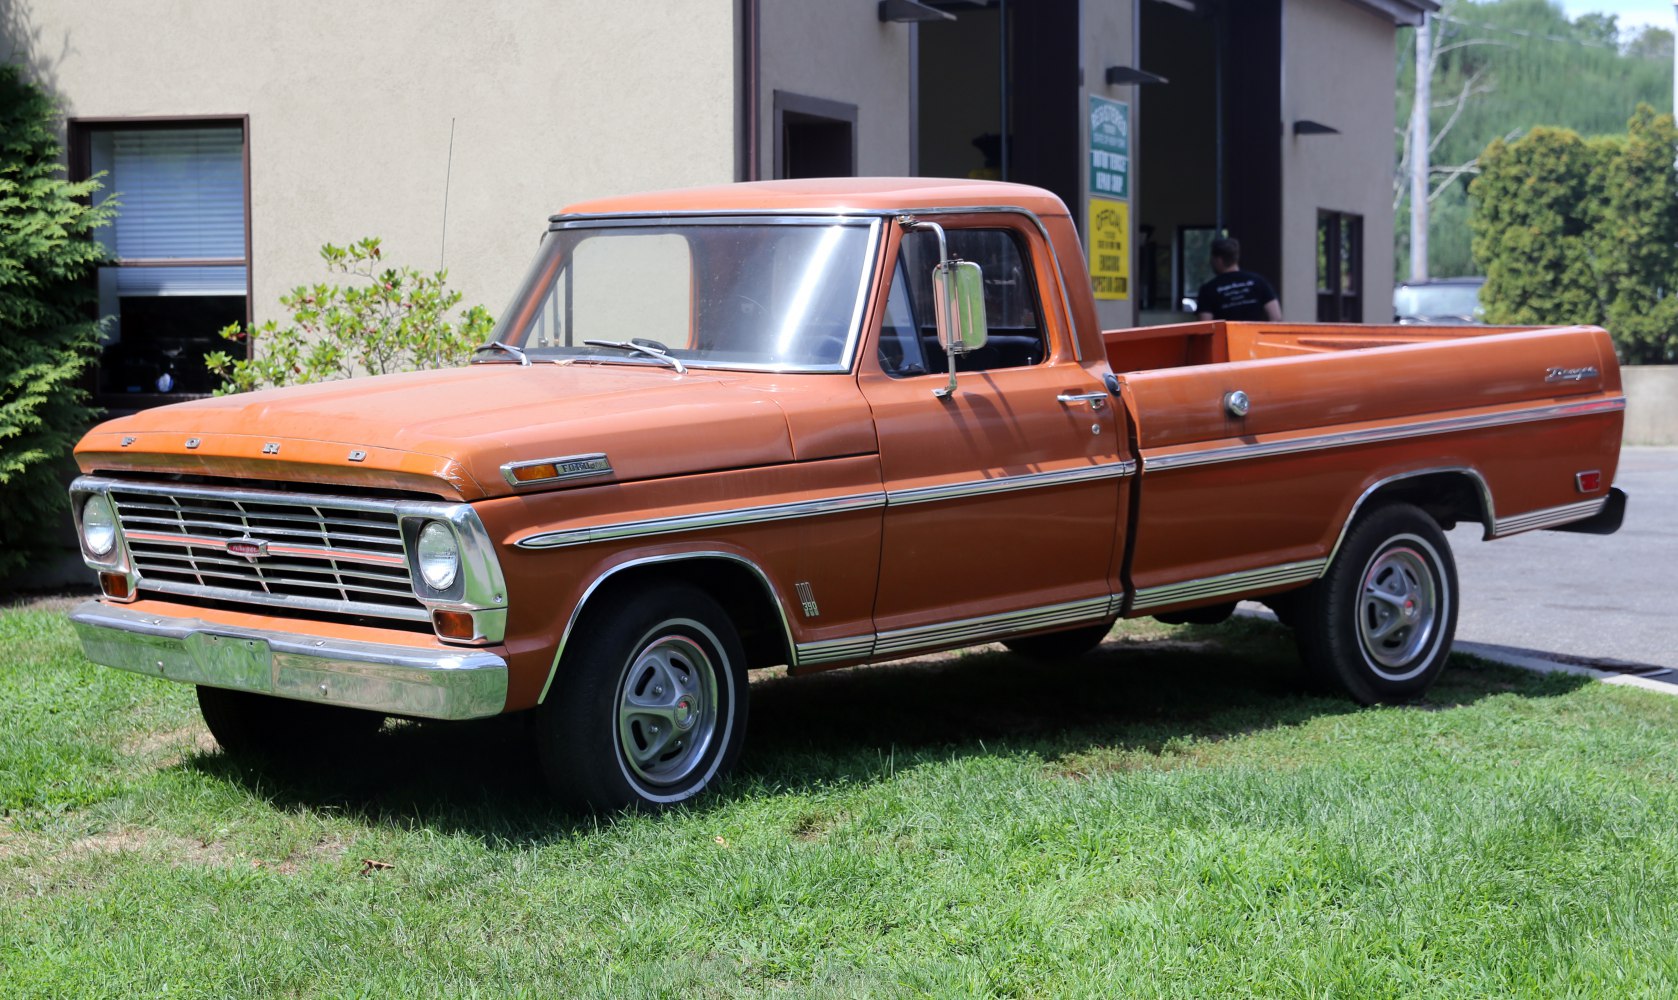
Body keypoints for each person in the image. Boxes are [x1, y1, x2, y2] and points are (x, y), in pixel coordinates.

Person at [1196, 237, 1282, 321]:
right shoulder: (1258, 282)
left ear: (1218, 260)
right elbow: (1276, 317)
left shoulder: (1208, 290)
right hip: (1254, 335)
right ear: (1236, 257)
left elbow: (1205, 326)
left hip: (1226, 335)